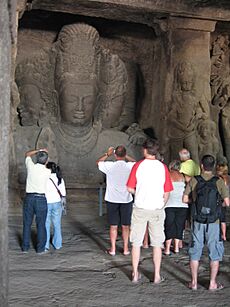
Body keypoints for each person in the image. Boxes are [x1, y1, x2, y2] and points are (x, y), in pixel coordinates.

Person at [127, 139, 173, 283]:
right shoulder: (163, 167)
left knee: (136, 243)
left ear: (145, 150)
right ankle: (157, 275)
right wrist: (161, 204)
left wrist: (139, 194)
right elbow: (167, 192)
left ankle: (135, 274)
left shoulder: (138, 166)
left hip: (140, 208)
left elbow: (129, 188)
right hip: (156, 209)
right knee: (157, 244)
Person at [183, 155, 229, 290]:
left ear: (201, 166)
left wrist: (195, 202)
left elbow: (185, 199)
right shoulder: (219, 181)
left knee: (195, 250)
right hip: (214, 221)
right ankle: (212, 283)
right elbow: (227, 202)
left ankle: (194, 283)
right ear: (213, 166)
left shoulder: (194, 180)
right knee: (214, 251)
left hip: (198, 220)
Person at [97, 145, 136, 256]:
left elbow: (98, 162)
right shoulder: (129, 166)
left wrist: (107, 154)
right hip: (126, 199)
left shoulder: (110, 166)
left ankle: (113, 249)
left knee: (113, 226)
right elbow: (135, 162)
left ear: (115, 155)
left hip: (112, 199)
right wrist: (125, 155)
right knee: (125, 226)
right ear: (124, 154)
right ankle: (125, 249)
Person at [22, 148, 51, 254]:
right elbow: (46, 165)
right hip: (41, 199)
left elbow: (27, 154)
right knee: (41, 224)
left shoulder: (31, 167)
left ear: (36, 159)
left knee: (27, 224)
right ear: (46, 161)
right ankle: (40, 249)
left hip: (29, 198)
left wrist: (39, 150)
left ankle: (25, 248)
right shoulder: (47, 171)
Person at [164, 160, 188, 255]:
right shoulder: (183, 176)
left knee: (169, 225)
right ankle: (177, 247)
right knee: (179, 226)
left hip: (169, 204)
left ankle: (167, 248)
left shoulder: (167, 175)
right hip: (182, 205)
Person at [45, 162, 66, 251]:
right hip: (57, 203)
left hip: (46, 203)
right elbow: (63, 193)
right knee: (57, 224)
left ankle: (45, 245)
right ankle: (57, 244)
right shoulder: (60, 178)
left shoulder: (45, 178)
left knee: (46, 224)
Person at [216, 163, 230, 241]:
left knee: (219, 218)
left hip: (220, 199)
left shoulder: (219, 179)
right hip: (227, 199)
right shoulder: (229, 178)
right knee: (223, 219)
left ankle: (219, 234)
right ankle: (224, 235)